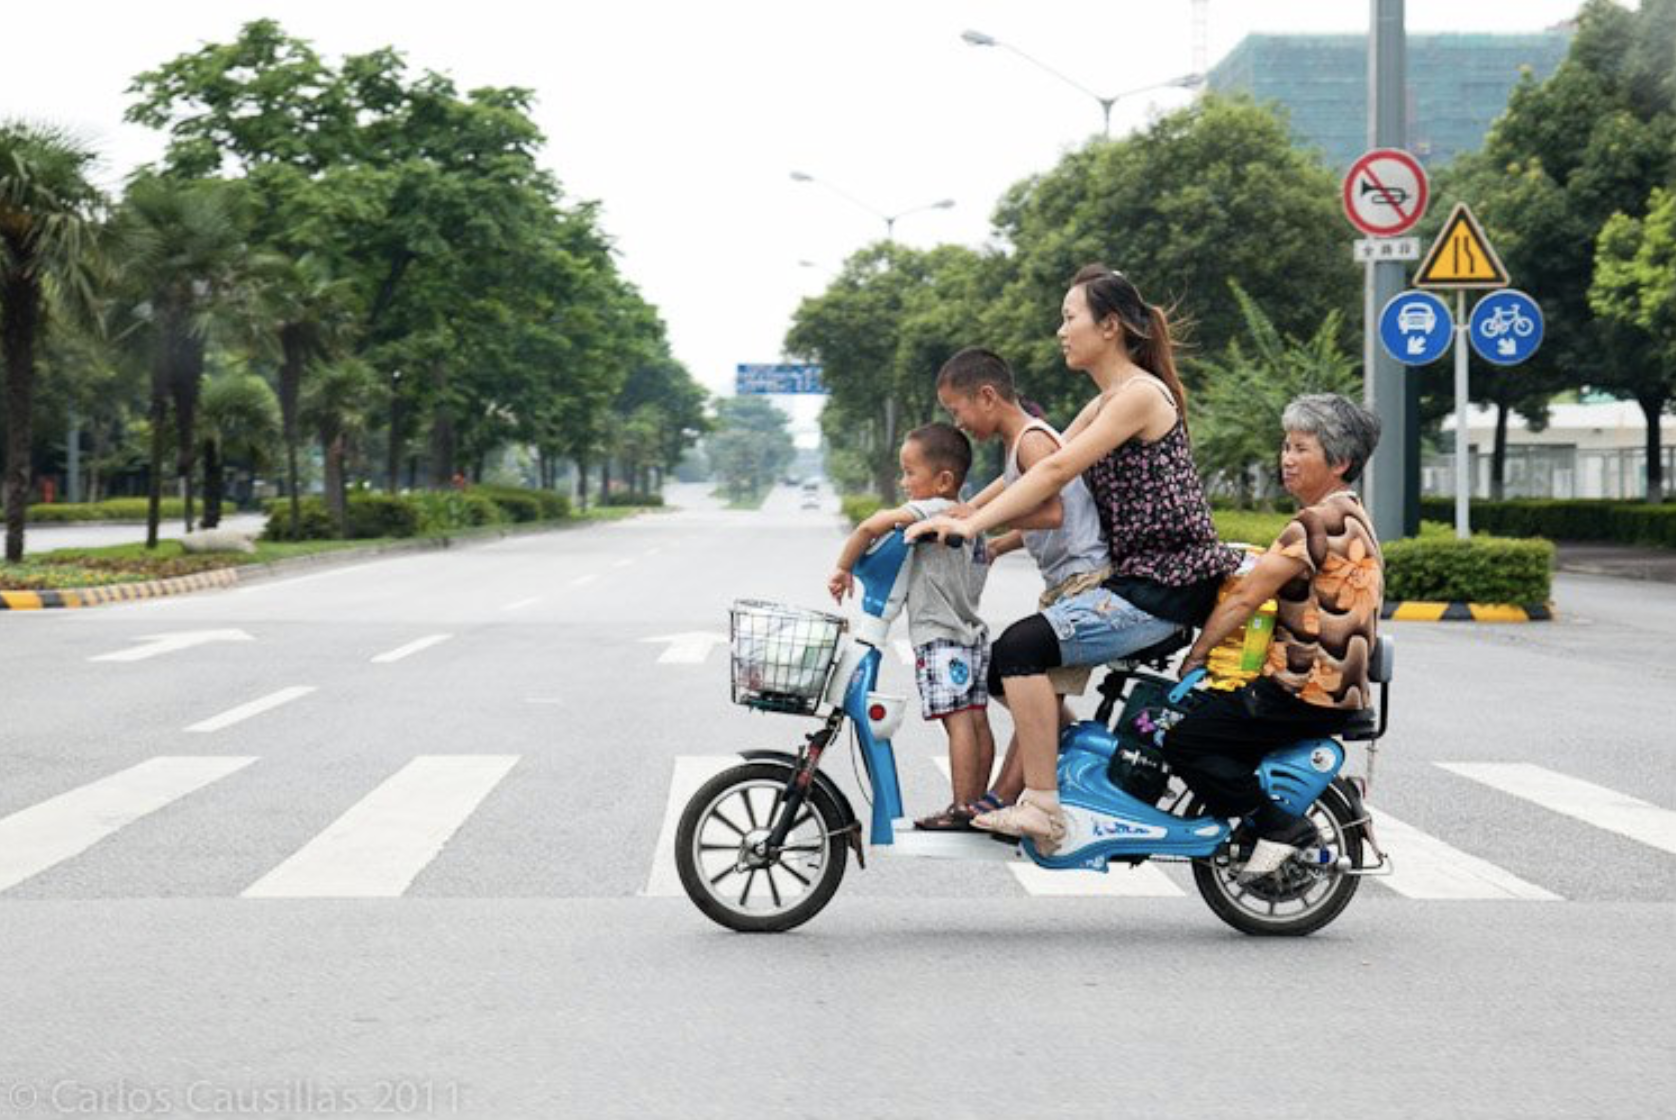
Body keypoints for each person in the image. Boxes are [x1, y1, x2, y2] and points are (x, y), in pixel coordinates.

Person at [909, 266, 1239, 853]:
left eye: (1070, 318)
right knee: (1006, 666)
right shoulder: (1106, 400)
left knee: (1019, 650)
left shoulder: (1138, 395)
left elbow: (1057, 473)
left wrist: (972, 527)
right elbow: (1033, 470)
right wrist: (961, 514)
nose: (1061, 331)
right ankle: (1044, 780)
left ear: (1109, 326)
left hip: (1164, 584)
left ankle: (1041, 805)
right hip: (1140, 581)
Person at [1166, 394, 1384, 880]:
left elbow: (1244, 599)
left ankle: (1280, 826)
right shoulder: (1352, 515)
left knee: (1184, 741)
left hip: (1301, 690)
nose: (1287, 459)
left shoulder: (1313, 523)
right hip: (1335, 689)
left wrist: (1196, 654)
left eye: (1301, 448)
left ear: (1340, 460)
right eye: (1286, 446)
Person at [930, 346, 1111, 825]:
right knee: (1010, 683)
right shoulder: (1018, 446)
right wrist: (996, 547)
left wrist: (982, 522)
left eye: (958, 409)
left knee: (1031, 679)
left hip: (1084, 583)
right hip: (1064, 583)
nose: (959, 422)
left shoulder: (1031, 441)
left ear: (987, 396)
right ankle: (1068, 747)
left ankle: (1006, 798)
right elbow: (1040, 520)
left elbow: (1051, 513)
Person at [828, 422, 996, 826]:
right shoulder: (973, 518)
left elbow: (873, 525)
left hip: (939, 636)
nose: (904, 481)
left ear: (943, 480)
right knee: (975, 719)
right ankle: (977, 805)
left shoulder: (934, 509)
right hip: (972, 633)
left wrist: (842, 567)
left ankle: (959, 808)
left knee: (956, 724)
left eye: (909, 473)